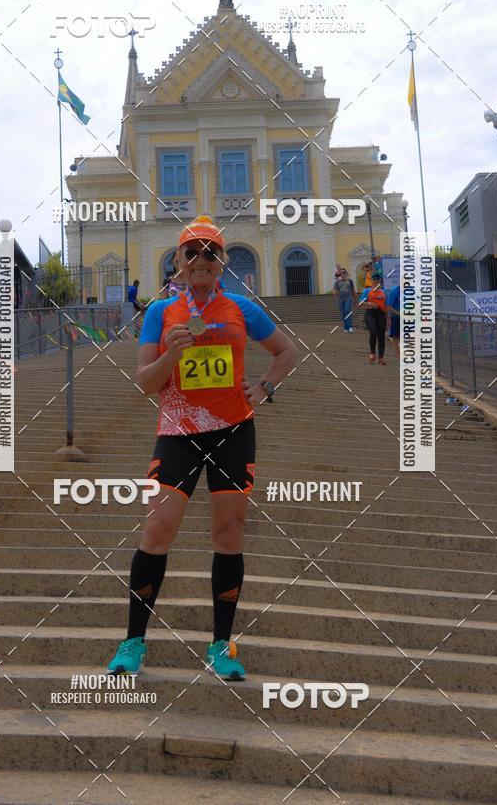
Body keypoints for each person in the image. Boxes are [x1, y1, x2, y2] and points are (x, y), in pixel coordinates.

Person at [107, 215, 298, 681]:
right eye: (191, 252)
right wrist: (171, 354)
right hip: (178, 431)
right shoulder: (161, 312)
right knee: (158, 531)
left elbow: (286, 351)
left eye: (210, 252)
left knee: (229, 535)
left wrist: (266, 388)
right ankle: (132, 644)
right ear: (178, 260)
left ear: (221, 263)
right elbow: (145, 384)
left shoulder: (240, 309)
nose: (201, 260)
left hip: (233, 430)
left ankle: (221, 647)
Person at [359, 271, 388, 364]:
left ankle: (381, 357)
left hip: (381, 314)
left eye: (377, 279)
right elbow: (360, 303)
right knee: (373, 331)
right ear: (371, 281)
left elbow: (386, 306)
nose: (375, 281)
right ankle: (372, 353)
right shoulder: (367, 291)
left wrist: (389, 319)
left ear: (380, 281)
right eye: (374, 279)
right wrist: (369, 303)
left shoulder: (384, 292)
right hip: (370, 313)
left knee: (381, 336)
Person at [332, 268, 358, 332]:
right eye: (341, 273)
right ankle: (346, 327)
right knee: (343, 313)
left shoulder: (350, 281)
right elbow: (334, 290)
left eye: (344, 272)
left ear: (346, 273)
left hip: (348, 298)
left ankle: (350, 327)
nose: (342, 274)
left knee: (347, 311)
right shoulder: (337, 282)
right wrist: (335, 293)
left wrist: (355, 300)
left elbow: (353, 291)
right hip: (340, 299)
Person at [386, 284, 401, 357]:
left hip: (409, 318)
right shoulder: (394, 292)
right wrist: (399, 314)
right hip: (396, 318)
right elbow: (389, 307)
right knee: (396, 338)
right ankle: (400, 358)